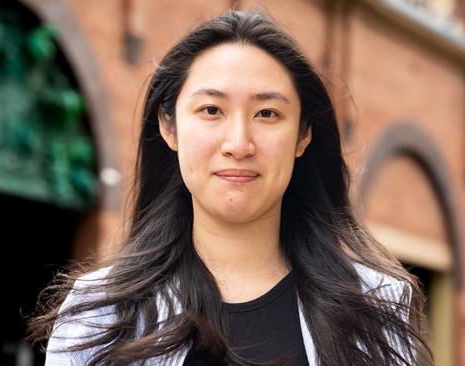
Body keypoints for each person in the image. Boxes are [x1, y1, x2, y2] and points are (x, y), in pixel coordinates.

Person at [27, 10, 431, 366]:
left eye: (267, 113)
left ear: (303, 134)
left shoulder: (375, 308)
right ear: (169, 127)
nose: (238, 144)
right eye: (211, 110)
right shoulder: (99, 316)